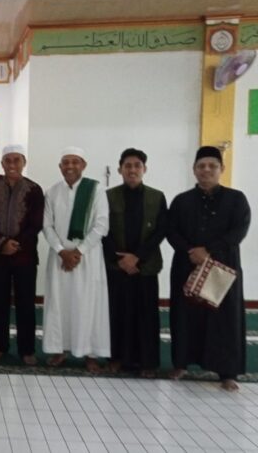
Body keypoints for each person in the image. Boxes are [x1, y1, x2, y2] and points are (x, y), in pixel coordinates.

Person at [167, 146, 251, 391]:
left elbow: (239, 230)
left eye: (212, 166)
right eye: (201, 166)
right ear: (194, 170)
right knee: (185, 316)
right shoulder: (181, 201)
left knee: (225, 320)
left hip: (222, 268)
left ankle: (227, 373)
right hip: (187, 265)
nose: (206, 170)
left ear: (221, 169)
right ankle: (181, 364)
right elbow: (171, 230)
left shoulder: (236, 199)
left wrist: (209, 251)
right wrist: (191, 251)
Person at [42, 147, 111, 373]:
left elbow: (101, 225)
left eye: (75, 161)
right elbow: (47, 226)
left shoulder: (96, 190)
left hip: (87, 258)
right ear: (60, 167)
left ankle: (89, 353)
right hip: (60, 258)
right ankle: (59, 349)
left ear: (83, 165)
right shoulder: (52, 192)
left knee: (88, 303)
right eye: (66, 162)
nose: (70, 166)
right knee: (59, 303)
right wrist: (62, 251)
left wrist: (78, 251)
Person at [103, 148, 167, 378]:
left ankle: (147, 362)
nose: (132, 170)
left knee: (146, 315)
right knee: (117, 313)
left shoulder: (157, 197)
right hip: (117, 266)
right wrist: (120, 259)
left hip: (145, 266)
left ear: (144, 169)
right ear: (119, 169)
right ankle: (117, 358)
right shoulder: (108, 196)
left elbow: (161, 230)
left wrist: (137, 257)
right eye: (127, 166)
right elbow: (102, 231)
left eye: (137, 165)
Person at [0, 144, 44, 363]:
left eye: (17, 160)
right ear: (2, 163)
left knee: (25, 303)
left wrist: (16, 244)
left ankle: (27, 350)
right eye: (8, 160)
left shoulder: (34, 189)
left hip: (25, 256)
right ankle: (0, 346)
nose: (12, 164)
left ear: (24, 162)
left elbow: (36, 224)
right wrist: (1, 243)